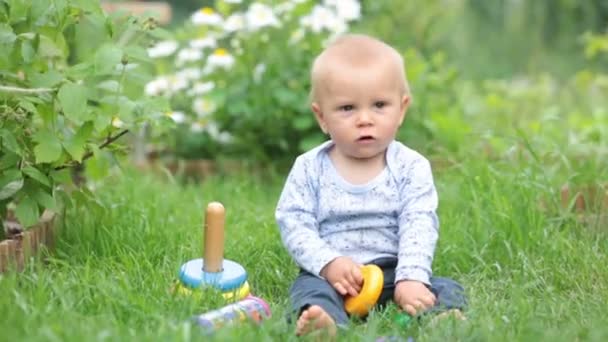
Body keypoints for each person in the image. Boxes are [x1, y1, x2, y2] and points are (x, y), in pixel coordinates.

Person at [275, 34, 467, 337]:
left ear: (401, 109)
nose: (364, 119)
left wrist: (411, 277)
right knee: (308, 291)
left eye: (379, 105)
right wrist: (328, 263)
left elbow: (419, 223)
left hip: (393, 269)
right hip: (333, 275)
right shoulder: (309, 168)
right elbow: (293, 222)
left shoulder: (411, 167)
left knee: (444, 287)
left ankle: (440, 316)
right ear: (322, 117)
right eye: (347, 108)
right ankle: (323, 322)